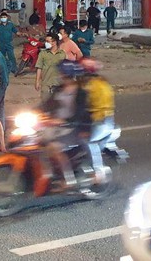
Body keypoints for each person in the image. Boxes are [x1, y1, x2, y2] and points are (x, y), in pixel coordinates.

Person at [38, 60, 91, 189]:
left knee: (54, 147)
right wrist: (35, 112)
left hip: (72, 128)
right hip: (56, 126)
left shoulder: (80, 93)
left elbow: (80, 114)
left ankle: (68, 179)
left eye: (63, 73)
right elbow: (47, 105)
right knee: (36, 143)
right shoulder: (59, 89)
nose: (61, 75)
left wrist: (64, 121)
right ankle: (46, 173)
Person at [79, 57, 115, 180]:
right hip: (88, 121)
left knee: (89, 141)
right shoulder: (85, 84)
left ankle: (99, 173)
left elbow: (95, 108)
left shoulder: (99, 85)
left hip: (101, 121)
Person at [35, 32, 67, 101]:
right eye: (46, 41)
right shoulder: (43, 53)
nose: (46, 43)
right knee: (45, 105)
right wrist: (37, 82)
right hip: (46, 84)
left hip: (58, 85)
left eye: (48, 41)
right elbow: (39, 68)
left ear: (54, 42)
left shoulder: (62, 54)